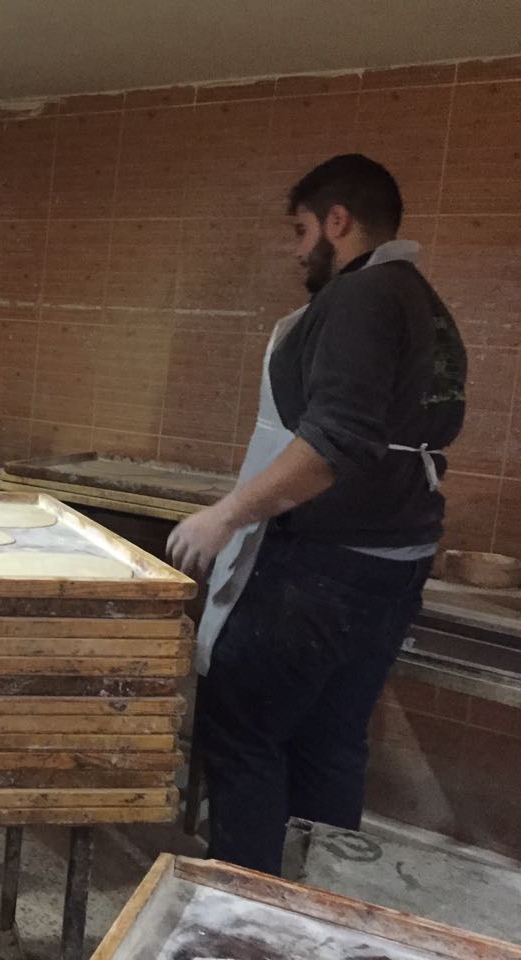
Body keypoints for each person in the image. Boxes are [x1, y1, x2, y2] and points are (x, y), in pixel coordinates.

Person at [166, 154, 467, 876]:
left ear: (338, 221)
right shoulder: (427, 305)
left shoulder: (360, 298)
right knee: (329, 740)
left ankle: (243, 909)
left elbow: (335, 440)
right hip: (394, 562)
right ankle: (316, 906)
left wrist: (226, 515)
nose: (297, 251)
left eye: (302, 231)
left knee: (242, 733)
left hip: (323, 568)